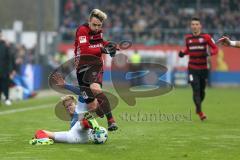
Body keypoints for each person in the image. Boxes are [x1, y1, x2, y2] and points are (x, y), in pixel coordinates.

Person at [74, 9, 118, 131]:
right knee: (93, 108)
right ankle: (100, 112)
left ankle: (111, 121)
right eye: (94, 25)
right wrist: (102, 49)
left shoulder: (99, 31)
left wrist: (110, 44)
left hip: (95, 66)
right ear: (89, 21)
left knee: (95, 88)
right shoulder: (82, 30)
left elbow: (101, 42)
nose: (96, 28)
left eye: (99, 25)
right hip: (81, 69)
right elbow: (85, 50)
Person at [178, 17, 218, 120]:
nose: (194, 26)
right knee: (196, 90)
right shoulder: (188, 38)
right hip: (192, 68)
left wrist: (209, 53)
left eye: (196, 24)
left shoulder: (206, 37)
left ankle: (197, 108)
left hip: (203, 69)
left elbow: (215, 48)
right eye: (193, 24)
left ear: (200, 26)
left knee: (202, 92)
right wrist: (182, 53)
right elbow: (189, 49)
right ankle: (200, 112)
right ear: (191, 26)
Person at [29, 95, 102, 145]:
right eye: (66, 107)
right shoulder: (73, 115)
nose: (68, 108)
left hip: (75, 135)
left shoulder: (79, 109)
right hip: (77, 136)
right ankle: (43, 140)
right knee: (40, 132)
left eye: (70, 105)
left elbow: (82, 96)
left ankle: (94, 126)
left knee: (82, 122)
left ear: (76, 103)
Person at [0, 30, 14, 106]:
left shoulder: (5, 45)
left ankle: (7, 98)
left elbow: (9, 59)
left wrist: (11, 70)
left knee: (5, 85)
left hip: (4, 70)